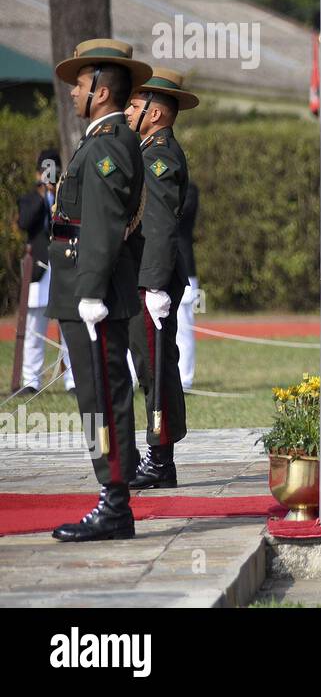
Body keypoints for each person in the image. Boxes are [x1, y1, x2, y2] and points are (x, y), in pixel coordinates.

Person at [47, 39, 152, 542]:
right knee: (93, 397)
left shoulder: (109, 142)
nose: (72, 92)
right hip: (83, 285)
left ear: (102, 91)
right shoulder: (101, 138)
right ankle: (111, 496)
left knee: (103, 399)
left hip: (95, 290)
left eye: (81, 83)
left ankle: (114, 503)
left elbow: (104, 222)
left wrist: (90, 290)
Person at [124, 68, 198, 490]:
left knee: (155, 368)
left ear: (155, 114)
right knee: (150, 366)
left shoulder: (160, 155)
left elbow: (160, 225)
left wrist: (152, 285)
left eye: (136, 106)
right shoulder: (148, 150)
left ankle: (160, 458)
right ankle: (157, 455)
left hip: (152, 279)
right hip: (145, 275)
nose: (130, 112)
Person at [15, 148, 74, 392]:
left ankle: (73, 381)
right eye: (45, 170)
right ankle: (31, 381)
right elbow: (25, 222)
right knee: (34, 328)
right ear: (38, 173)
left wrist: (57, 193)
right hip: (39, 269)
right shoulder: (30, 199)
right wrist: (42, 195)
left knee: (69, 327)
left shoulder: (67, 197)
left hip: (62, 268)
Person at [176, 181, 200, 391]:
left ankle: (185, 379)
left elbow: (179, 215)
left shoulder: (189, 190)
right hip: (155, 267)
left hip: (183, 267)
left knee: (183, 329)